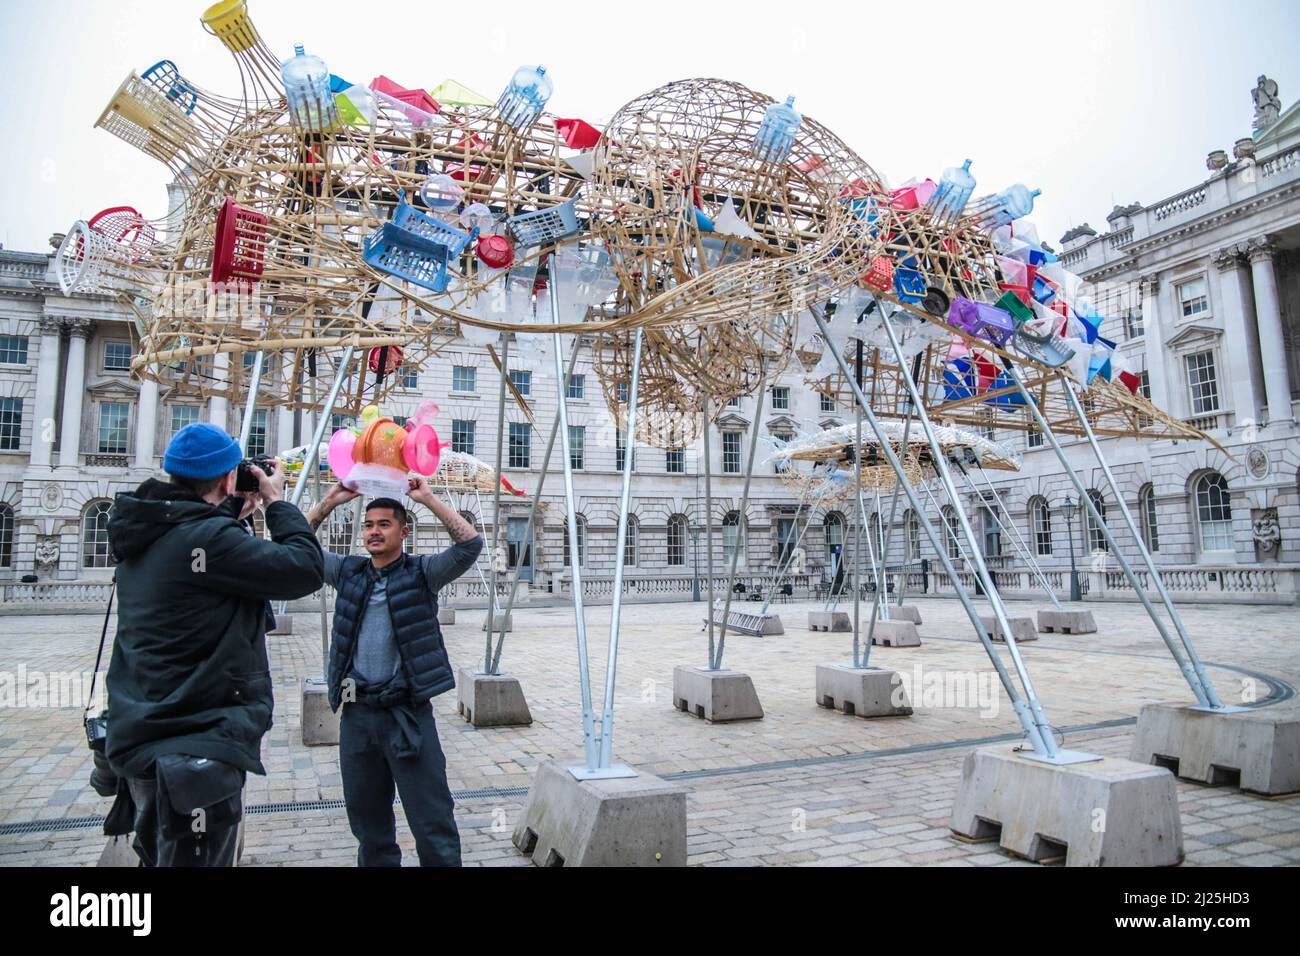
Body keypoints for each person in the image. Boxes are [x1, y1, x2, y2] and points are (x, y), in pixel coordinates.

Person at [105, 422, 326, 867]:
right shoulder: (208, 539)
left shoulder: (149, 532)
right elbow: (304, 568)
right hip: (193, 748)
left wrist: (230, 517)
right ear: (229, 479)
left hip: (147, 735)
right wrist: (275, 502)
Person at [306, 476, 482, 867]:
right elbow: (295, 549)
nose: (373, 531)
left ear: (404, 531)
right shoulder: (348, 573)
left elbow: (470, 545)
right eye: (369, 525)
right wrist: (329, 503)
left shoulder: (423, 574)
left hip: (408, 717)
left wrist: (427, 498)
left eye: (384, 524)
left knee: (432, 822)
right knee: (370, 830)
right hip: (358, 717)